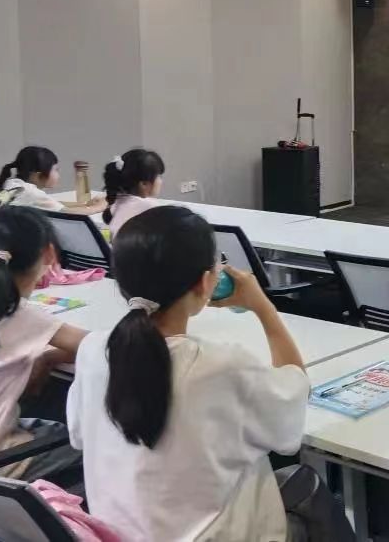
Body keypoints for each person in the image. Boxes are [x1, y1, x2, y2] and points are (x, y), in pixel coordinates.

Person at [66, 206, 344, 540]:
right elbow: (293, 400)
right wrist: (264, 307)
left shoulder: (94, 351)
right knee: (307, 486)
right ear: (205, 281)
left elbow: (78, 436)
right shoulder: (221, 366)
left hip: (117, 533)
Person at [0, 207, 87, 482]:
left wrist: (46, 357)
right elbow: (103, 347)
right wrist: (50, 357)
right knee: (90, 443)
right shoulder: (22, 315)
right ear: (49, 254)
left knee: (50, 424)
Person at [0, 146, 106, 218]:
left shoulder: (15, 184)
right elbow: (68, 213)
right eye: (56, 170)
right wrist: (99, 207)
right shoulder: (30, 193)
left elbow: (53, 203)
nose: (58, 175)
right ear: (37, 175)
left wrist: (84, 204)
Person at [102, 148, 165, 238]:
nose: (161, 181)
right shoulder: (150, 207)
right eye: (159, 176)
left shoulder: (116, 201)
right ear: (144, 184)